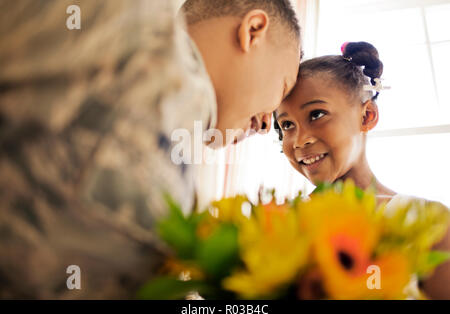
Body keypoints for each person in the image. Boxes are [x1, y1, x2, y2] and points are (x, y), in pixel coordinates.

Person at [0, 0, 301, 298]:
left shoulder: (187, 182)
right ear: (254, 30)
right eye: (283, 88)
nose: (265, 125)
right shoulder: (127, 16)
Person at [275, 41, 450, 299]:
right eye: (287, 124)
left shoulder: (428, 221)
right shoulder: (279, 226)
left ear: (367, 115)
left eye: (316, 114)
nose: (300, 141)